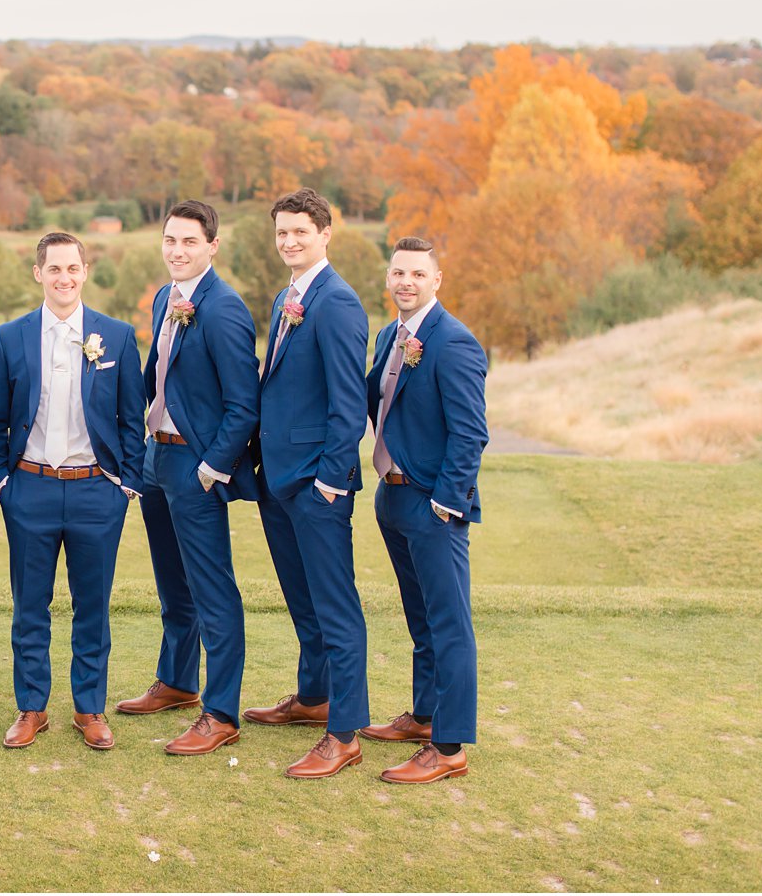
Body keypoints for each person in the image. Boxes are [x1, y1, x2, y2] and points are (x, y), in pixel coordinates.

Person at [0, 233, 146, 751]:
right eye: (54, 269)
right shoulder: (10, 338)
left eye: (72, 268)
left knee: (92, 604)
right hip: (29, 488)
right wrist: (3, 483)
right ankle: (32, 708)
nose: (64, 278)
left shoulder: (116, 336)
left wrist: (127, 485)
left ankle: (89, 708)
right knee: (30, 603)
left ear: (85, 270)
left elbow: (130, 417)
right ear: (39, 273)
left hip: (98, 491)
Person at [115, 200, 259, 756]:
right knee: (172, 581)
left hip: (195, 464)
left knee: (211, 587)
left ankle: (220, 712)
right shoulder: (163, 299)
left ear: (211, 247)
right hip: (157, 457)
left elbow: (243, 405)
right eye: (170, 240)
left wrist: (211, 467)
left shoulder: (223, 309)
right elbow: (157, 376)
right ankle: (177, 681)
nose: (177, 250)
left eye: (189, 242)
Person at [244, 189, 371, 779]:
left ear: (325, 233)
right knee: (304, 603)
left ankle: (343, 733)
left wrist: (328, 482)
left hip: (316, 487)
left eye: (300, 232)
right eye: (282, 233)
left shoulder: (337, 303)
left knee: (336, 607)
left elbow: (349, 405)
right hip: (279, 480)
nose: (289, 242)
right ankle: (313, 697)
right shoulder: (287, 298)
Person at [361, 236, 488, 784]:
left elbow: (471, 433)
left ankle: (450, 746)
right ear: (388, 279)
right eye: (397, 273)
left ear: (437, 280)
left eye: (417, 274)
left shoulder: (454, 342)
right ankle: (424, 715)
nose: (405, 282)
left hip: (432, 505)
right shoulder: (391, 334)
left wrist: (444, 503)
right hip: (393, 496)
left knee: (449, 623)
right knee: (421, 621)